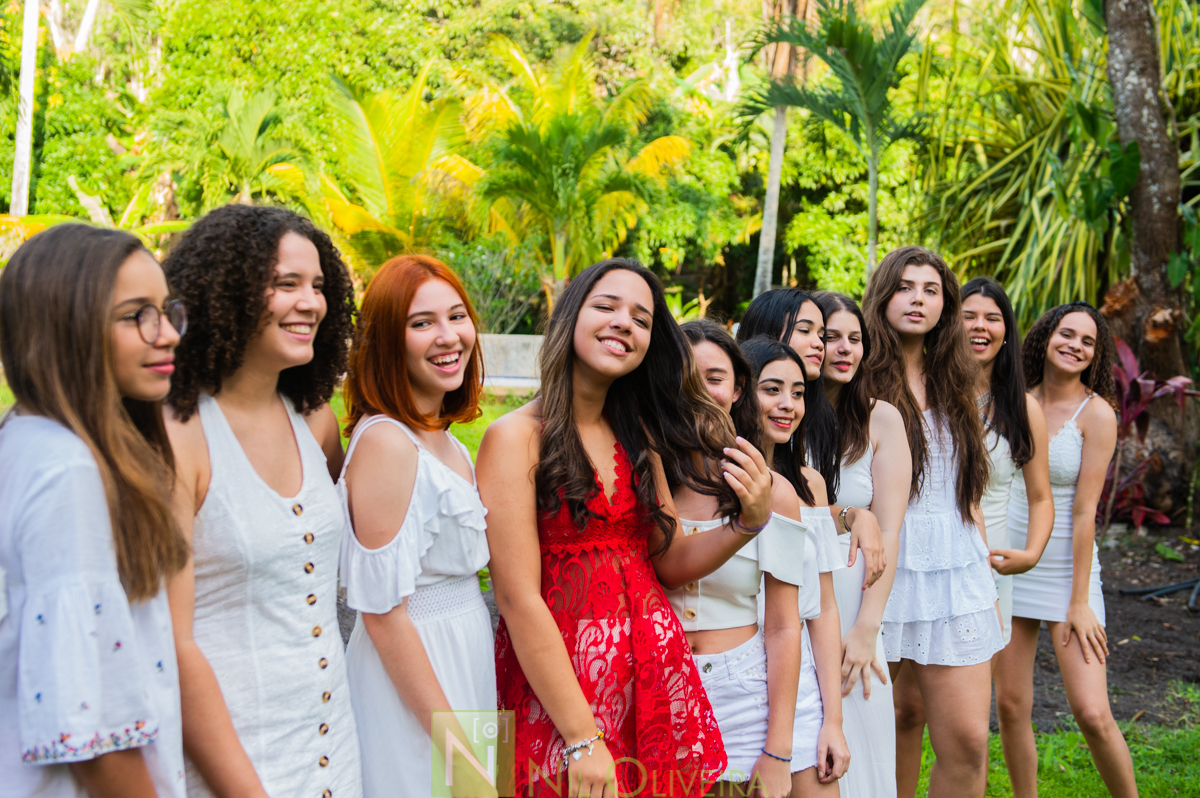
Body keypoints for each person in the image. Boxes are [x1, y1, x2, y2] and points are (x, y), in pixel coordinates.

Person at [478, 259, 774, 798]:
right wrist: (581, 737)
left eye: (641, 319)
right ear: (571, 315)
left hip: (648, 689)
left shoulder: (637, 434)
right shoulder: (514, 437)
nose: (624, 323)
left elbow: (669, 561)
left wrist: (747, 525)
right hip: (561, 699)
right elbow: (517, 599)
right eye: (607, 306)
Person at [162, 206, 363, 798]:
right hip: (232, 763)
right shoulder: (179, 434)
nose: (311, 303)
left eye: (318, 286)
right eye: (286, 283)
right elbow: (171, 645)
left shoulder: (315, 422)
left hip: (334, 751)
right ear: (226, 290)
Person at [0, 225, 189, 797]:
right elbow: (92, 736)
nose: (168, 334)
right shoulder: (68, 471)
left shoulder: (23, 439)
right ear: (67, 326)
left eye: (167, 311)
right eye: (137, 316)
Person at [337, 255, 493, 798]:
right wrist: (457, 751)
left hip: (466, 655)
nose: (448, 336)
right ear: (387, 341)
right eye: (422, 322)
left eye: (457, 316)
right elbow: (382, 613)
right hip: (413, 679)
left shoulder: (447, 441)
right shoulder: (387, 441)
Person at [861, 246, 1002, 798]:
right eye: (904, 287)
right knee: (859, 733)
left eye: (931, 290)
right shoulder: (856, 376)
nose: (917, 299)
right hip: (874, 567)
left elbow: (967, 495)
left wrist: (984, 584)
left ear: (946, 305)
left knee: (968, 743)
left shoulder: (958, 380)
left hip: (954, 570)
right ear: (882, 295)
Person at [998, 303, 1138, 798]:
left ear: (1095, 355)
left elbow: (1084, 513)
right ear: (1046, 336)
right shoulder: (1013, 398)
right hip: (1009, 559)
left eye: (1087, 341)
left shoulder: (1096, 414)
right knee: (1010, 705)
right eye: (1067, 334)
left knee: (1092, 712)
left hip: (1065, 569)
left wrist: (1079, 602)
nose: (1075, 346)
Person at [666, 320, 805, 798]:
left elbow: (784, 625)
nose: (699, 392)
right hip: (657, 685)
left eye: (714, 378)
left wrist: (778, 750)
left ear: (738, 388)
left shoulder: (773, 491)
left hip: (743, 693)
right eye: (684, 377)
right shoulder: (644, 480)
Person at [740, 337, 851, 798]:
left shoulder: (810, 484)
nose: (788, 404)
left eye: (799, 393)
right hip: (733, 679)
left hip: (799, 681)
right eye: (772, 390)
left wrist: (833, 720)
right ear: (740, 392)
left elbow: (823, 607)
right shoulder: (709, 483)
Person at [813, 291, 912, 798]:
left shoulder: (883, 418)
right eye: (831, 337)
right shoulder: (784, 411)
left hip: (857, 607)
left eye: (855, 339)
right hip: (794, 602)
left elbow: (891, 529)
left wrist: (868, 628)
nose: (844, 349)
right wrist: (853, 514)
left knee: (864, 743)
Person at [736, 289, 886, 587]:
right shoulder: (724, 428)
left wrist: (852, 515)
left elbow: (808, 511)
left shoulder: (817, 416)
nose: (819, 344)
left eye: (821, 334)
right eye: (805, 331)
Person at [961, 276, 1054, 646]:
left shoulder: (1023, 408)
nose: (980, 326)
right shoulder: (927, 397)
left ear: (1006, 333)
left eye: (992, 318)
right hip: (926, 560)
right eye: (968, 316)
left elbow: (1041, 496)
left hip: (993, 565)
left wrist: (1031, 555)